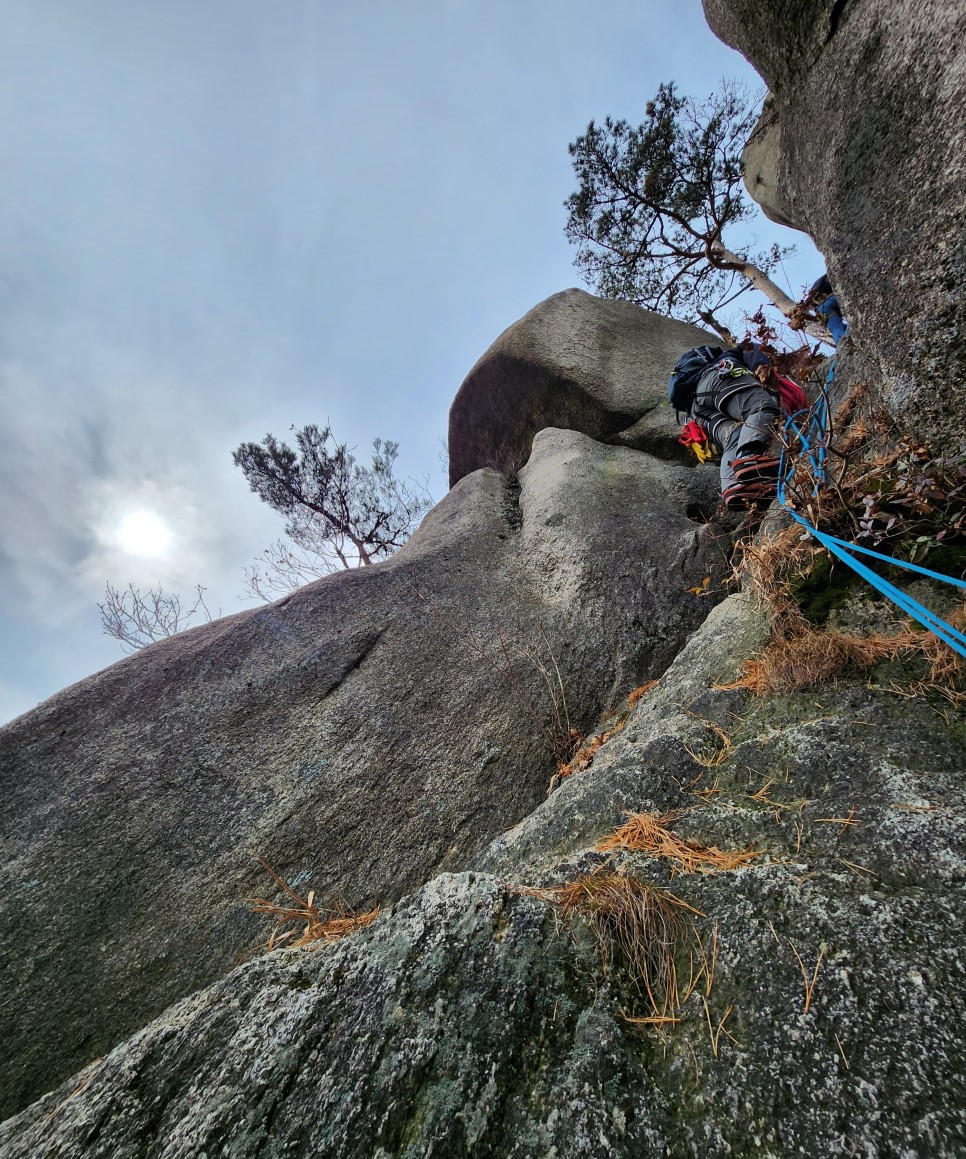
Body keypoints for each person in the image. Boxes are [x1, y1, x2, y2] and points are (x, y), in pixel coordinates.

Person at [684, 344, 784, 511]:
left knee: (733, 436)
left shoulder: (691, 375)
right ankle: (749, 456)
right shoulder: (748, 350)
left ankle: (733, 486)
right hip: (719, 378)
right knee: (761, 407)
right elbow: (762, 370)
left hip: (695, 410)